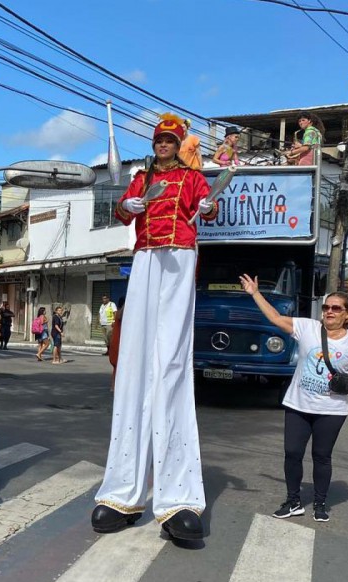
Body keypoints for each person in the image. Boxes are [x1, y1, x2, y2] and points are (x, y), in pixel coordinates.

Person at [91, 113, 218, 542]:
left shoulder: (193, 177)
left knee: (172, 369)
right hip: (145, 258)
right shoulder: (141, 177)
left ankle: (177, 497)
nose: (163, 145)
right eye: (159, 140)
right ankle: (122, 493)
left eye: (169, 140)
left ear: (179, 144)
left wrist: (207, 206)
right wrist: (129, 205)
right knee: (133, 367)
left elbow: (210, 207)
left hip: (180, 257)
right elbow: (123, 212)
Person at [240, 278, 348, 522]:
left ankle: (320, 503)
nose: (329, 312)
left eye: (336, 308)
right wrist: (255, 294)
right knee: (292, 453)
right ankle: (293, 501)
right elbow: (276, 319)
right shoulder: (308, 328)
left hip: (331, 410)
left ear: (347, 314)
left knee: (322, 456)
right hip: (297, 405)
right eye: (326, 307)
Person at [107, 296, 125, 392]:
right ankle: (114, 387)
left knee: (117, 368)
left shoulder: (119, 314)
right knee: (117, 366)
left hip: (117, 342)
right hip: (117, 343)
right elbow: (119, 315)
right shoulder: (119, 313)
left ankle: (114, 386)